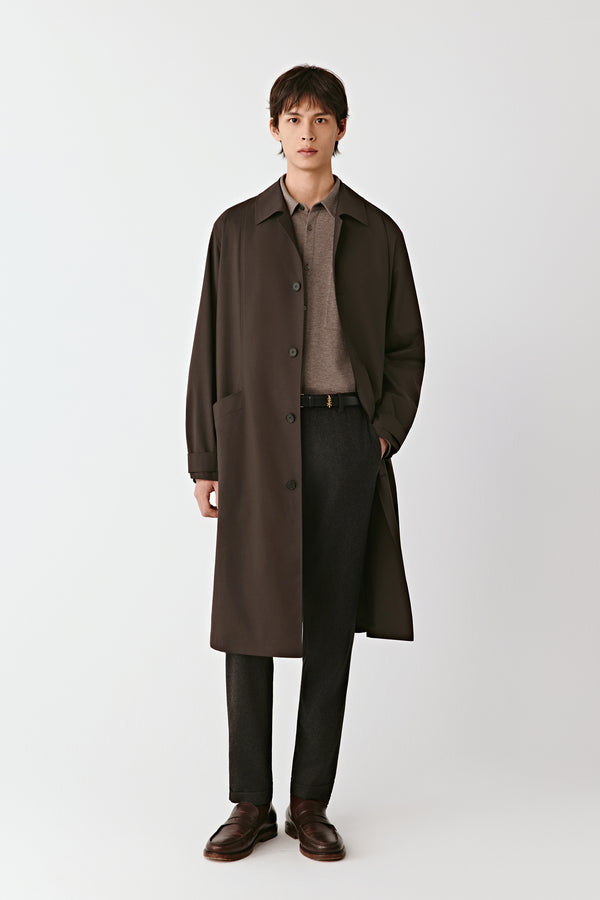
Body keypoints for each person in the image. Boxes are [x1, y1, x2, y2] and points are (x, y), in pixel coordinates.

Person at [186, 63, 425, 862]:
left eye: (322, 118)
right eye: (293, 118)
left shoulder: (378, 233)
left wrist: (380, 433)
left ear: (342, 129)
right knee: (249, 621)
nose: (307, 132)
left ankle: (309, 802)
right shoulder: (236, 230)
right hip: (255, 444)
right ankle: (249, 802)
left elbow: (406, 347)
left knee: (329, 623)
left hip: (343, 438)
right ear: (274, 130)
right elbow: (209, 346)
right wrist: (205, 455)